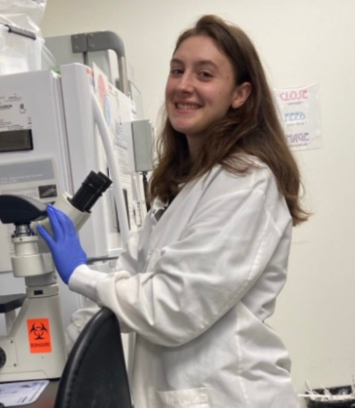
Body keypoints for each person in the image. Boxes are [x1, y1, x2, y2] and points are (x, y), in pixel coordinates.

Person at [38, 14, 309, 408]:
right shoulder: (181, 187)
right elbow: (130, 274)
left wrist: (80, 274)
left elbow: (172, 307)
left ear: (240, 94)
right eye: (177, 70)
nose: (184, 85)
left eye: (205, 74)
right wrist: (61, 361)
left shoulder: (246, 182)